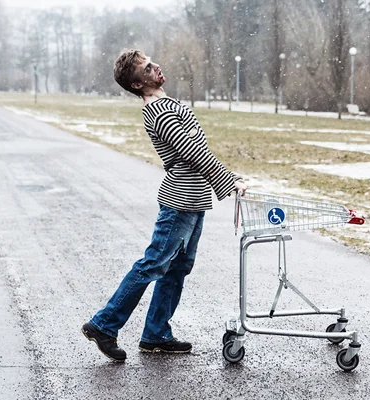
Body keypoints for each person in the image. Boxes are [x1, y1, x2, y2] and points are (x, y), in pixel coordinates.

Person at [82, 49, 247, 362]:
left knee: (176, 268)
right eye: (147, 68)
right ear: (136, 84)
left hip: (193, 198)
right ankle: (104, 324)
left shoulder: (163, 103)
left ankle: (156, 333)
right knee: (154, 264)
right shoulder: (158, 110)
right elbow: (192, 151)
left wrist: (229, 176)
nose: (156, 66)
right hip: (180, 202)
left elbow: (196, 149)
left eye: (152, 61)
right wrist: (228, 180)